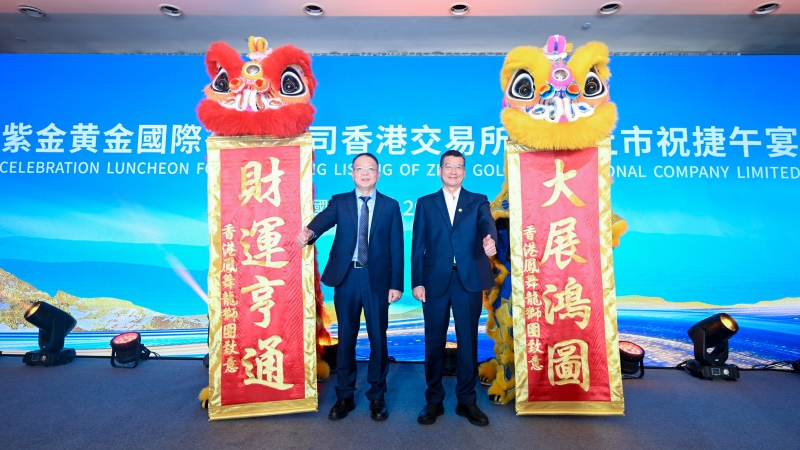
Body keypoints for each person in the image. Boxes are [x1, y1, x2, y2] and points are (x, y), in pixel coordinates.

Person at [296, 153, 404, 422]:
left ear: (378, 174)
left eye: (370, 169)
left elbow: (397, 247)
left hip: (377, 280)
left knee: (378, 338)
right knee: (346, 338)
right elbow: (323, 220)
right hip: (347, 278)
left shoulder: (390, 205)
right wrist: (309, 232)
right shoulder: (340, 201)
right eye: (360, 169)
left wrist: (396, 284)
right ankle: (344, 396)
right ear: (352, 173)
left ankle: (377, 396)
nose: (365, 173)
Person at [411, 149, 497, 427]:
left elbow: (486, 223)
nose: (453, 171)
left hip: (467, 281)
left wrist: (489, 239)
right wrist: (417, 281)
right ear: (439, 170)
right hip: (434, 282)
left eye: (459, 167)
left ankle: (466, 401)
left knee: (467, 341)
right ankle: (433, 400)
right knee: (433, 341)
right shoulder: (426, 203)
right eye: (448, 166)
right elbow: (418, 245)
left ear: (465, 172)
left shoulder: (478, 200)